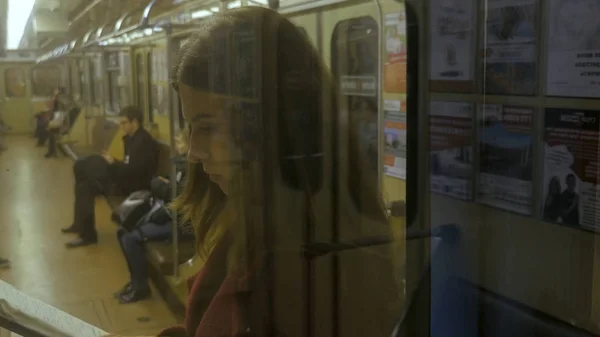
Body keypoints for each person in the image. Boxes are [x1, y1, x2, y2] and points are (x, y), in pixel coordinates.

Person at [104, 7, 392, 337]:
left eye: (208, 126)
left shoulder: (314, 269)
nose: (194, 152)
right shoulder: (264, 222)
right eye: (191, 126)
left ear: (275, 126)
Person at [62, 106, 159, 248]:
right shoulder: (132, 139)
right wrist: (113, 162)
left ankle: (87, 234)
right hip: (123, 178)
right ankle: (81, 226)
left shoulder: (143, 142)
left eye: (124, 123)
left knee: (82, 169)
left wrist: (113, 163)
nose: (122, 126)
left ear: (135, 122)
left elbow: (136, 172)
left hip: (132, 185)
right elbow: (129, 165)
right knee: (83, 184)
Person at [114, 134, 195, 303]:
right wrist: (163, 186)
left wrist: (161, 186)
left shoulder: (193, 168)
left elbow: (175, 194)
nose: (178, 144)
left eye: (181, 141)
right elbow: (167, 186)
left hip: (182, 223)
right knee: (122, 232)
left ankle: (141, 288)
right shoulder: (180, 164)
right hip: (169, 214)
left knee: (130, 238)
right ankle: (135, 282)